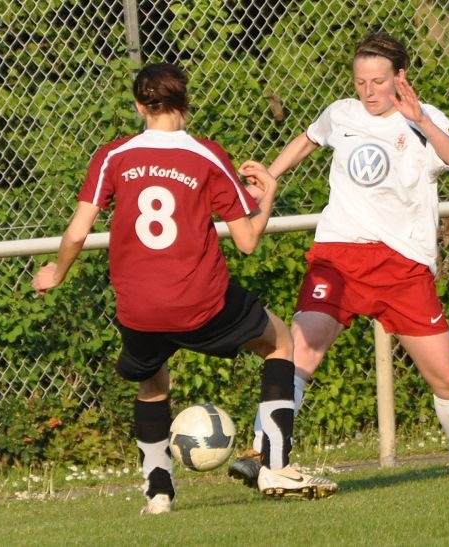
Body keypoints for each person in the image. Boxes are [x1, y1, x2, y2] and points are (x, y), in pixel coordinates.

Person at [32, 62, 337, 515]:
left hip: (138, 307)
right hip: (202, 302)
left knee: (153, 382)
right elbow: (249, 241)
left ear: (139, 106)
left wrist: (55, 272)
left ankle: (158, 492)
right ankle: (275, 465)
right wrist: (267, 190)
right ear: (185, 104)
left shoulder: (113, 155)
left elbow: (77, 232)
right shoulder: (206, 155)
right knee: (281, 342)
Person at [228, 31, 449, 484]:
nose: (367, 91)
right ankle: (264, 449)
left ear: (400, 78)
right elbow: (308, 139)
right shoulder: (341, 114)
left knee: (446, 379)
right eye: (360, 81)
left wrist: (419, 118)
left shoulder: (423, 120)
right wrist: (271, 173)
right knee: (301, 348)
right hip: (339, 254)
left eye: (378, 81)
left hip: (402, 264)